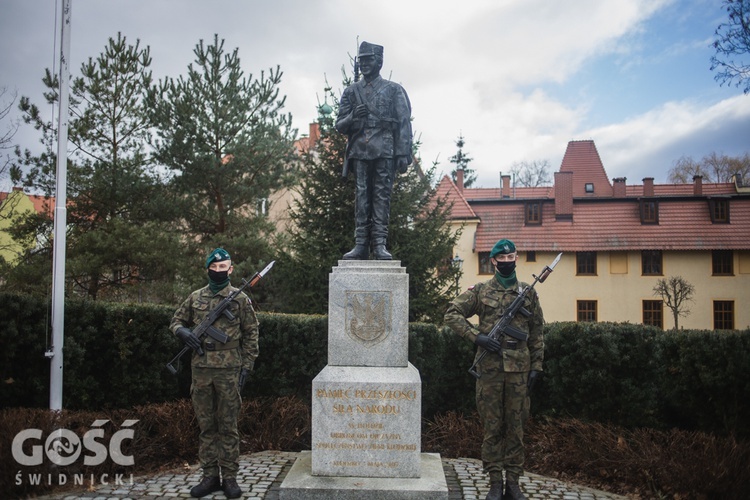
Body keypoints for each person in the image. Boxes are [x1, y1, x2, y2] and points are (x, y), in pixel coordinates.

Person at [444, 239, 544, 500]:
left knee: (516, 427)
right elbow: (452, 314)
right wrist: (477, 337)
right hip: (489, 368)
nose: (508, 263)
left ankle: (513, 483)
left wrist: (537, 366)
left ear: (517, 260)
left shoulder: (528, 293)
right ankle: (494, 483)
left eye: (512, 258)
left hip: (519, 369)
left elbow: (537, 332)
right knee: (492, 427)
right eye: (503, 259)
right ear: (494, 262)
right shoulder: (480, 291)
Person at [170, 248, 259, 499]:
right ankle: (210, 476)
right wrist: (182, 332)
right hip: (201, 370)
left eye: (224, 268)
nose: (218, 271)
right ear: (208, 268)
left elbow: (252, 333)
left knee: (228, 426)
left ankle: (229, 478)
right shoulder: (195, 297)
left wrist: (247, 366)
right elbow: (175, 321)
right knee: (206, 426)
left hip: (229, 370)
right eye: (214, 267)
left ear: (231, 270)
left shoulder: (240, 299)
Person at [336, 40, 413, 260]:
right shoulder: (352, 92)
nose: (364, 65)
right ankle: (360, 244)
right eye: (361, 61)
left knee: (381, 196)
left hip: (385, 149)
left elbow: (404, 122)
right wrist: (353, 117)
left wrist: (402, 153)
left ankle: (379, 243)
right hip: (360, 149)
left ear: (379, 61)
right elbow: (340, 125)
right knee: (362, 197)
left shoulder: (394, 90)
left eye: (368, 60)